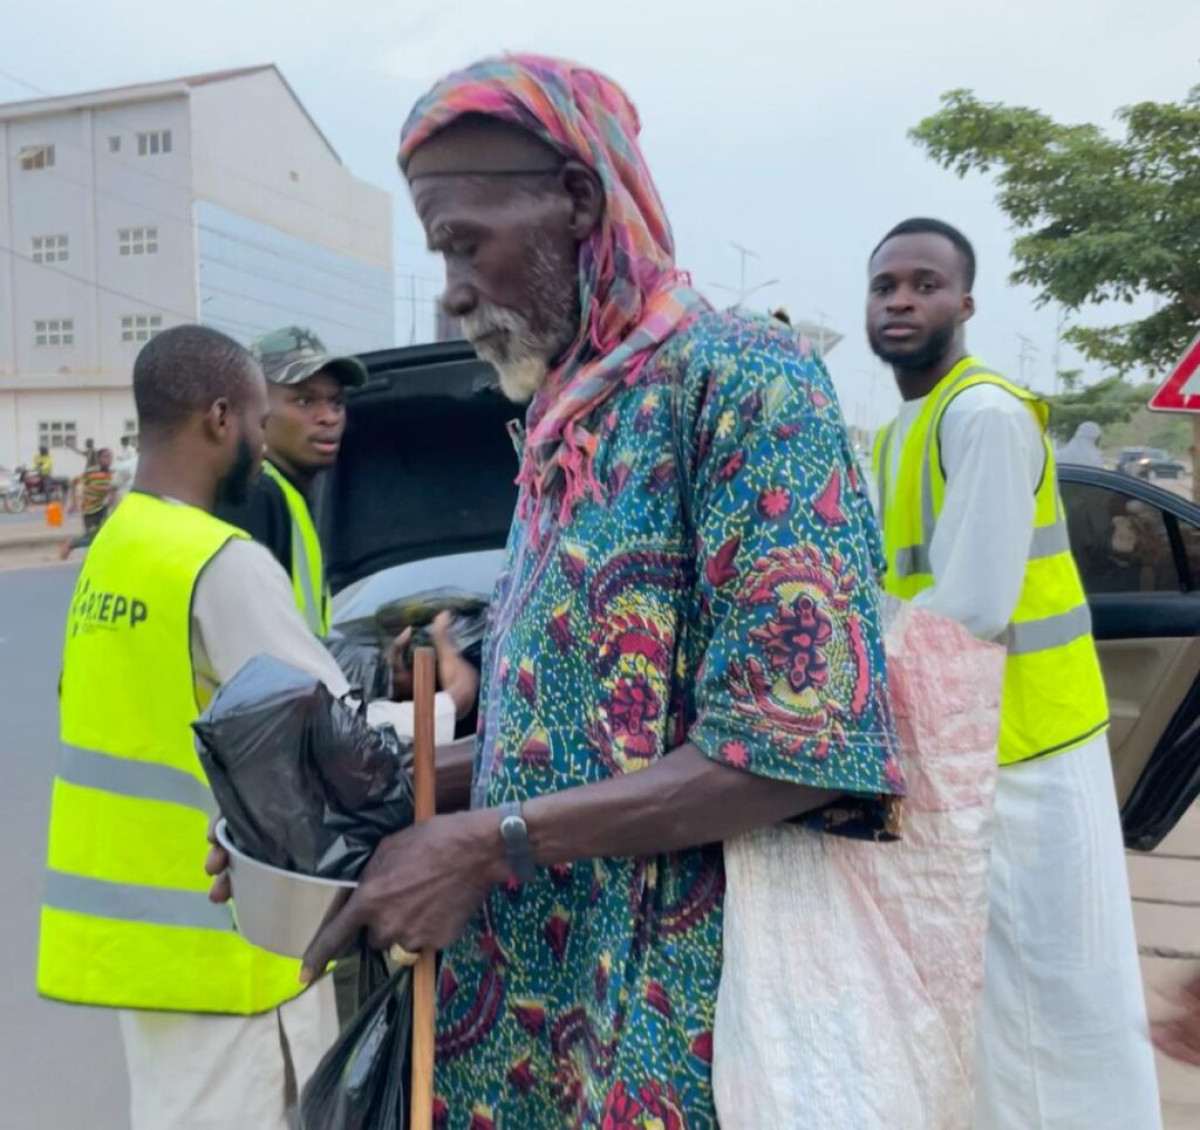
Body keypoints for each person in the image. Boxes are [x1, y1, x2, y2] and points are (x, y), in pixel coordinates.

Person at [208, 55, 902, 1127]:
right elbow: (563, 736)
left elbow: (795, 748)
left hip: (667, 1010)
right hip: (518, 1002)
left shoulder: (746, 388)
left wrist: (488, 841)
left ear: (578, 200)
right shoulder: (562, 419)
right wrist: (340, 817)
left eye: (463, 241)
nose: (449, 286)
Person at [36, 325, 460, 1130]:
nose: (266, 443)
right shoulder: (215, 561)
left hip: (144, 943)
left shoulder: (119, 546)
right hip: (226, 937)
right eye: (264, 419)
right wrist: (448, 702)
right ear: (220, 417)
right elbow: (339, 738)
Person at [867, 217, 1161, 1129]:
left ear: (966, 301)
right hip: (974, 751)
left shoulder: (984, 413)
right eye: (885, 286)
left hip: (1027, 749)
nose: (902, 300)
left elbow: (973, 606)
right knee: (1000, 998)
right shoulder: (900, 429)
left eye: (924, 283)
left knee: (1056, 1000)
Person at [215, 326, 366, 637]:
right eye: (305, 401)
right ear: (253, 408)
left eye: (337, 402)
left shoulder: (288, 495)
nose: (329, 417)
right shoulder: (254, 496)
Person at [59, 447, 115, 560]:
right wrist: (73, 502)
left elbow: (114, 488)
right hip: (89, 509)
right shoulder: (91, 473)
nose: (109, 460)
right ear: (99, 459)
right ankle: (71, 544)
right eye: (105, 457)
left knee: (103, 535)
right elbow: (73, 483)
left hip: (102, 508)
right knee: (92, 537)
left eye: (110, 457)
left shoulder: (112, 474)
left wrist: (111, 500)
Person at [112, 434, 139, 503]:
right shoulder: (124, 449)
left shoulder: (130, 450)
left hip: (129, 471)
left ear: (126, 441)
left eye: (124, 441)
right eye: (122, 441)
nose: (122, 443)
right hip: (124, 470)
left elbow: (131, 460)